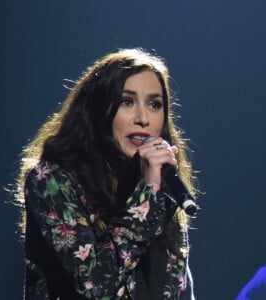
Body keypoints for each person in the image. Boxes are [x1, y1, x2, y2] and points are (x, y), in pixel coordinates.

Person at [15, 48, 197, 299]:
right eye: (127, 101)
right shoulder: (51, 181)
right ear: (98, 110)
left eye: (154, 104)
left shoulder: (162, 191)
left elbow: (177, 290)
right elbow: (94, 283)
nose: (143, 118)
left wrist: (155, 192)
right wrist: (147, 195)